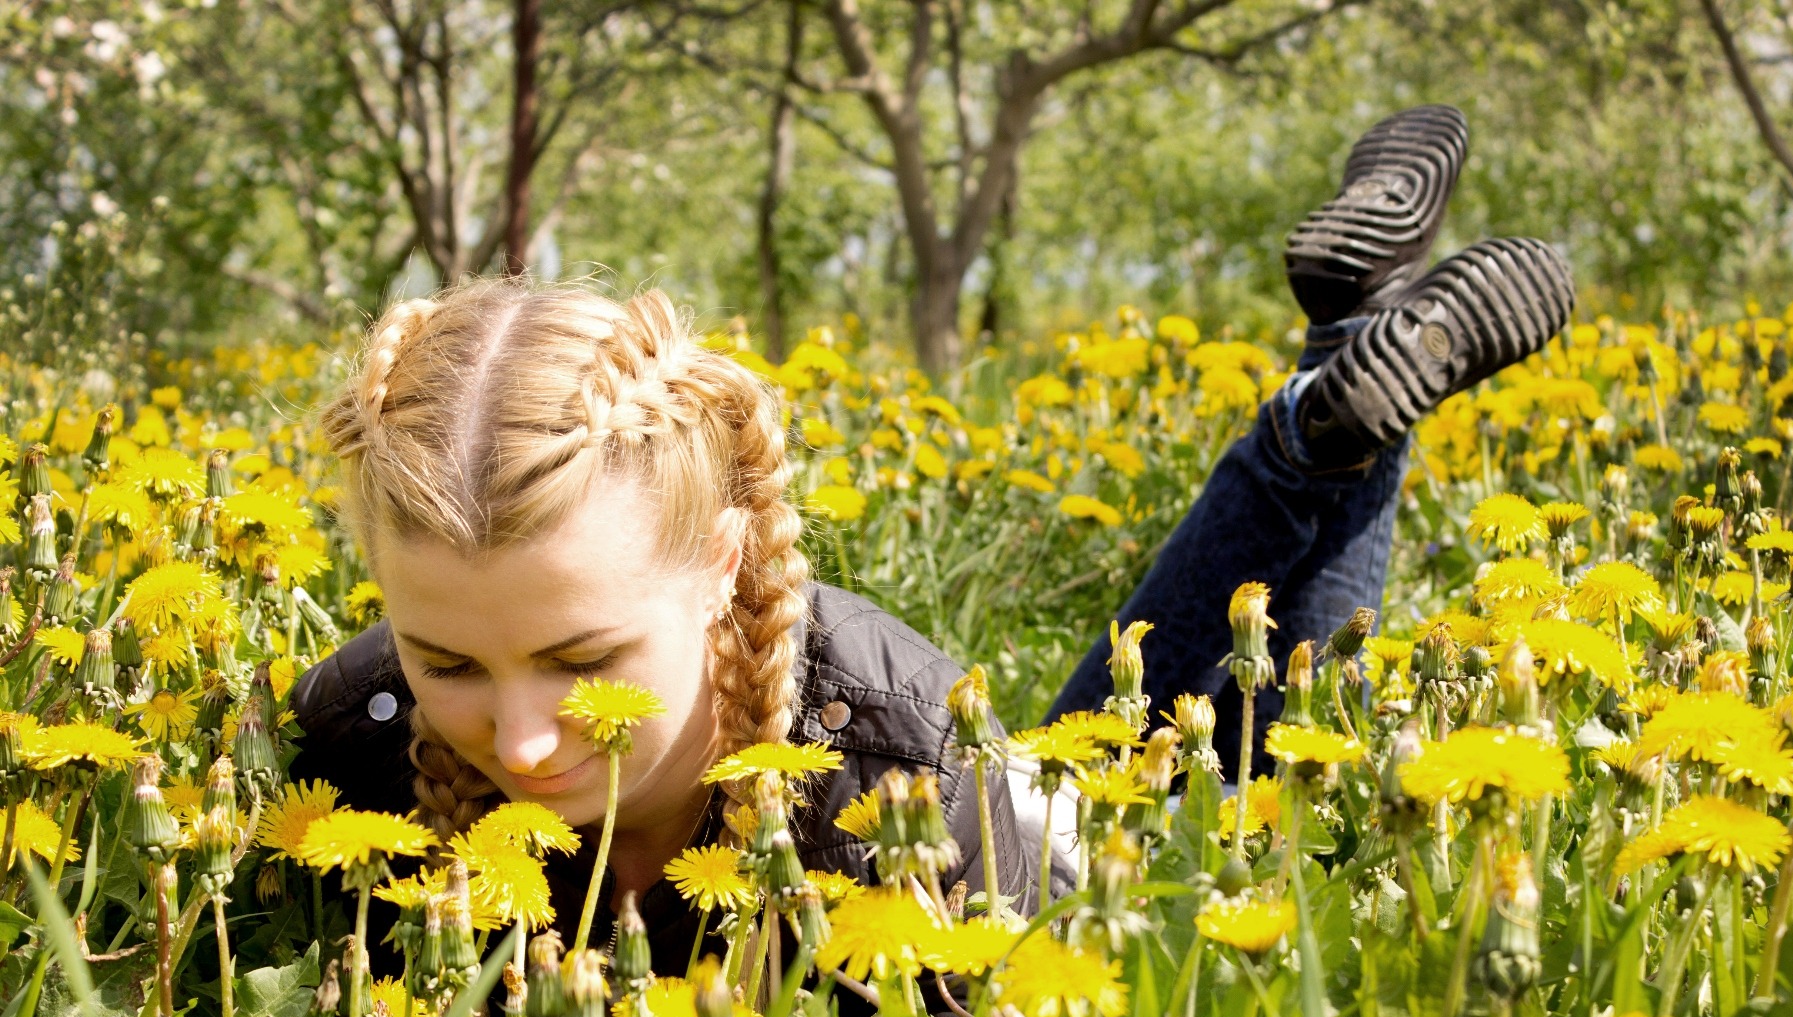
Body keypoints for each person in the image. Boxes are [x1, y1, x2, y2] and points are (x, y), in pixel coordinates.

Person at [290, 104, 1574, 971]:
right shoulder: (354, 737)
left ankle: (1328, 415)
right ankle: (1341, 375)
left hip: (1044, 862)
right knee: (1150, 718)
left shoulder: (902, 766)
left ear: (723, 563)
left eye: (581, 655)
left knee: (1238, 783)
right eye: (447, 662)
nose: (518, 735)